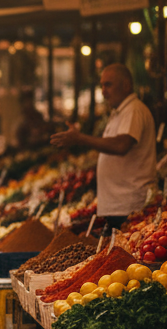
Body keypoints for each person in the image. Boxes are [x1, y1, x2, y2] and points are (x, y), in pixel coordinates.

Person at [49, 63, 155, 230]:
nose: (104, 91)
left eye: (108, 85)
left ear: (126, 85)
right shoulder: (121, 112)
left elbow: (121, 145)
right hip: (118, 205)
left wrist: (81, 139)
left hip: (128, 205)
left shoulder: (133, 110)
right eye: (102, 86)